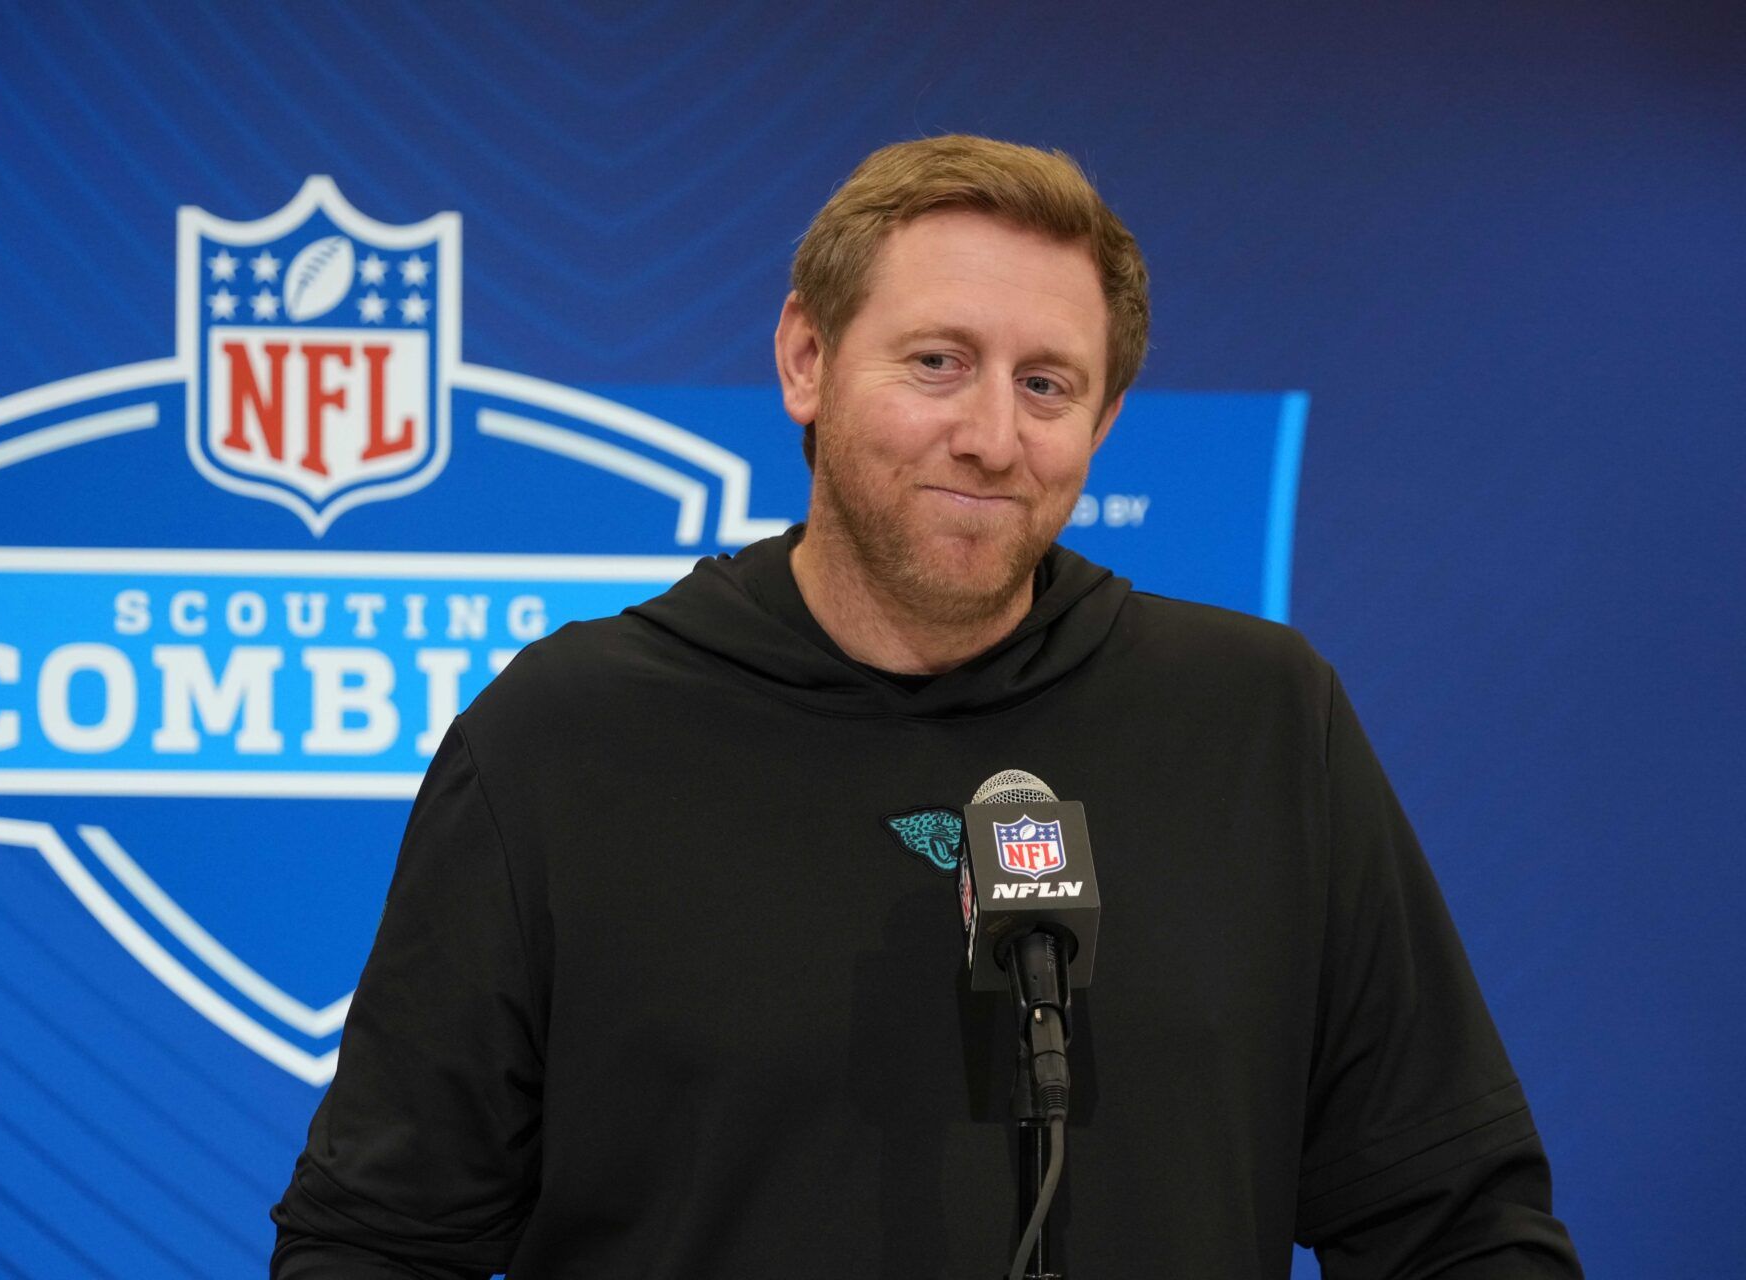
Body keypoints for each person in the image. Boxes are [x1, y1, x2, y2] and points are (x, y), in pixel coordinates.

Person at [272, 136, 1582, 1278]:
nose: (992, 437)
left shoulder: (1260, 724)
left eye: (1046, 385)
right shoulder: (565, 737)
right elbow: (376, 1241)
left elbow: (1455, 1224)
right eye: (940, 362)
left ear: (1106, 419)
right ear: (806, 359)